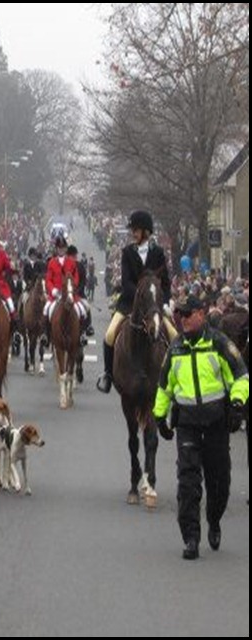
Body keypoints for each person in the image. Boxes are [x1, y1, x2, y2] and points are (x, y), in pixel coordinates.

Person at [153, 295, 249, 560]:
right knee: (188, 483)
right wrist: (159, 417)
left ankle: (214, 519)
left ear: (201, 314)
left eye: (187, 314)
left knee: (220, 483)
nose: (182, 319)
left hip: (216, 424)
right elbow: (164, 386)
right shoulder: (175, 348)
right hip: (187, 425)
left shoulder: (220, 343)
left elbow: (241, 377)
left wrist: (237, 403)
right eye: (180, 315)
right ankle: (191, 538)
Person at [97, 210, 177, 393]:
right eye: (133, 230)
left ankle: (175, 376)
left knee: (174, 335)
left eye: (136, 230)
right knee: (109, 334)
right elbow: (126, 282)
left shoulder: (158, 253)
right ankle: (108, 374)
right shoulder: (127, 252)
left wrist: (165, 301)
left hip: (154, 306)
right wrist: (141, 298)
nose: (133, 233)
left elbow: (165, 282)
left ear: (146, 232)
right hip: (129, 303)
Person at [66, 244, 94, 338]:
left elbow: (83, 281)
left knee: (87, 307)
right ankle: (48, 332)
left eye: (74, 256)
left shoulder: (80, 266)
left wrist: (77, 291)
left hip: (79, 294)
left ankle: (87, 328)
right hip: (65, 295)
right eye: (73, 256)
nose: (74, 258)